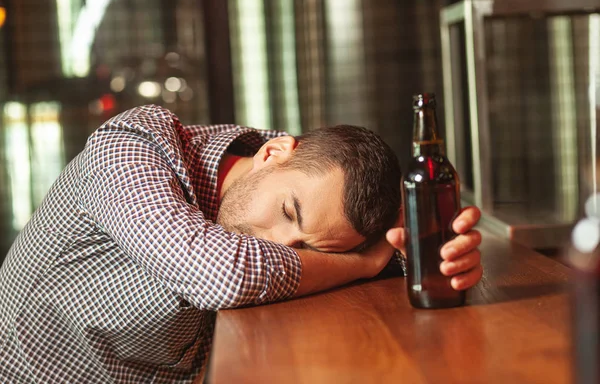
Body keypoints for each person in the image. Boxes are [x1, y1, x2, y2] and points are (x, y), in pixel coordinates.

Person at [0, 105, 482, 383]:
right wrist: (359, 264)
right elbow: (221, 273)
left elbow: (392, 239)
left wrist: (430, 249)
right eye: (287, 213)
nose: (280, 246)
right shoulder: (129, 150)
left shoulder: (309, 188)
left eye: (305, 248)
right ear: (271, 153)